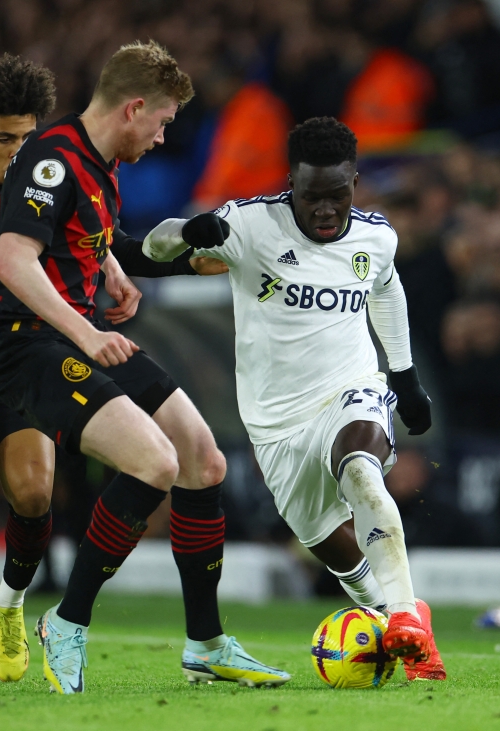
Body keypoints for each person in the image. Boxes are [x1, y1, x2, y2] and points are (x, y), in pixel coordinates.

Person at [0, 55, 213, 687]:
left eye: (26, 136)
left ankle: (13, 603)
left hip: (23, 352)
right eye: (6, 138)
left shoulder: (50, 182)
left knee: (33, 493)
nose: (19, 150)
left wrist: (112, 263)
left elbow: (81, 235)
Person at [0, 41, 289, 694]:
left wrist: (164, 264)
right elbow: (12, 261)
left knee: (203, 457)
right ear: (134, 107)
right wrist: (87, 329)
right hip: (27, 345)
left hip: (73, 340)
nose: (164, 134)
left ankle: (205, 643)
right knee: (154, 462)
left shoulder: (99, 168)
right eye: (165, 120)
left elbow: (97, 243)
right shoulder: (53, 161)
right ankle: (66, 619)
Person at [144, 116, 445, 680]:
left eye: (338, 196)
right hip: (274, 421)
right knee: (324, 541)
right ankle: (385, 614)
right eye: (313, 198)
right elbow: (155, 249)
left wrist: (405, 381)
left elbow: (387, 291)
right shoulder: (250, 223)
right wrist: (190, 231)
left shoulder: (376, 236)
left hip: (349, 389)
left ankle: (407, 615)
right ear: (292, 184)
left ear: (355, 182)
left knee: (360, 470)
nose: (326, 210)